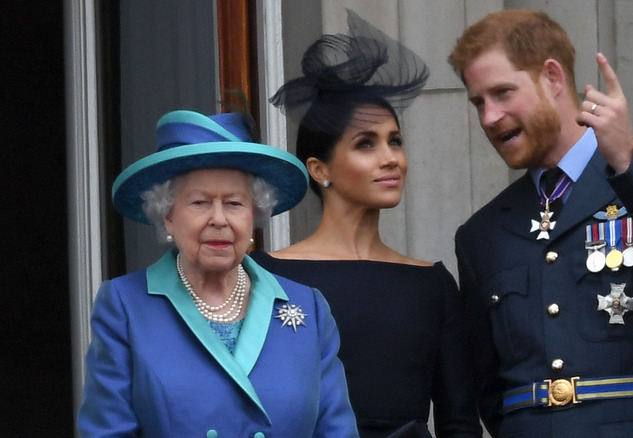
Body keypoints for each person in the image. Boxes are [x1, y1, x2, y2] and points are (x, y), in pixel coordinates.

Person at [447, 9, 633, 437]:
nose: (489, 117)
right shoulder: (481, 234)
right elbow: (492, 394)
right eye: (479, 102)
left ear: (552, 77)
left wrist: (628, 164)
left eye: (502, 93)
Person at [250, 9, 482, 438]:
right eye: (365, 144)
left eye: (395, 140)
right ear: (320, 170)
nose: (391, 157)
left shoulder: (432, 284)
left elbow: (460, 422)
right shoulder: (267, 275)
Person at [77, 109, 359, 437]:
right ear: (167, 215)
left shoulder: (308, 307)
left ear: (254, 214)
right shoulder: (125, 307)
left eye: (234, 203)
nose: (219, 219)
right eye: (199, 202)